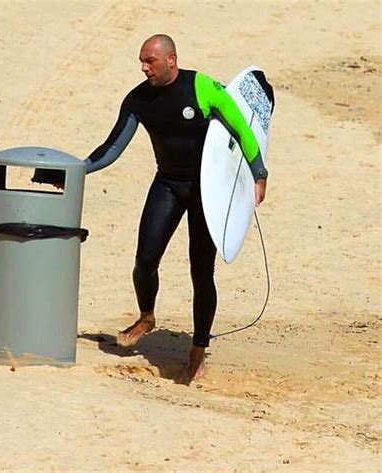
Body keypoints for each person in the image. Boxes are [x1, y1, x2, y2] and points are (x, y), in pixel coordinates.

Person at [33, 34, 268, 380]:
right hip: (169, 183)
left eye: (150, 61)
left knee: (201, 272)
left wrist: (259, 174)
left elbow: (242, 129)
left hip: (207, 189)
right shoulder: (138, 100)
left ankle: (198, 350)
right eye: (141, 62)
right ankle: (147, 315)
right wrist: (76, 172)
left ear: (171, 59)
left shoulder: (201, 87)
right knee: (145, 260)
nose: (144, 68)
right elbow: (112, 147)